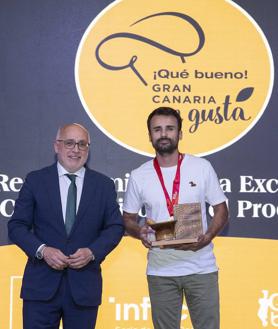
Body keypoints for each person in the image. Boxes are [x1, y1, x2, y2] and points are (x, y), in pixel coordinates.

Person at [8, 123, 124, 329]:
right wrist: (42, 250)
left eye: (82, 144)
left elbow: (115, 227)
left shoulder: (103, 185)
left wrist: (92, 251)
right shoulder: (35, 180)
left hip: (84, 289)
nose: (76, 149)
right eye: (69, 143)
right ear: (56, 146)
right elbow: (17, 226)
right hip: (41, 288)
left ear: (88, 149)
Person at [123, 107, 228, 329]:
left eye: (170, 128)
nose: (163, 134)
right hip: (161, 270)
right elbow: (127, 219)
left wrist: (208, 236)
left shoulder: (201, 167)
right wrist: (138, 231)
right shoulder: (139, 175)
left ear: (179, 133)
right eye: (157, 129)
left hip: (201, 267)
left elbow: (221, 209)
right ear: (149, 135)